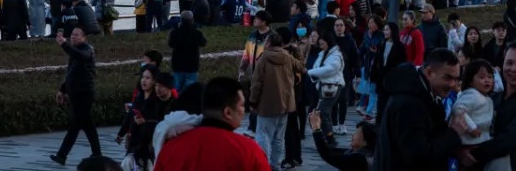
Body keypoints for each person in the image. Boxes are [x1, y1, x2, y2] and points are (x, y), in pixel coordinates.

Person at [374, 48, 470, 171]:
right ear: (429, 73)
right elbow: (418, 156)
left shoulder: (425, 94)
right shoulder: (409, 104)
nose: (453, 84)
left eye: (456, 79)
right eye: (448, 78)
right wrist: (453, 134)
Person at [154, 77, 269, 170]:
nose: (244, 110)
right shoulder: (248, 150)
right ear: (227, 112)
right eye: (242, 105)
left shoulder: (170, 148)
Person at [460, 41, 516, 170]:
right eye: (509, 62)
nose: (513, 68)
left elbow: (506, 142)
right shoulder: (491, 98)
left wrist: (468, 154)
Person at [250, 32, 305, 170]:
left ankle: (264, 162)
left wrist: (252, 101)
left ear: (268, 43)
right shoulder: (288, 57)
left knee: (263, 134)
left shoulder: (263, 58)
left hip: (266, 104)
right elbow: (302, 68)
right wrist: (297, 50)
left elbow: (256, 83)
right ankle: (275, 164)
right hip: (286, 104)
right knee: (279, 137)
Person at [51, 27, 101, 166]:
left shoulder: (87, 49)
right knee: (88, 125)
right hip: (76, 95)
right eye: (72, 34)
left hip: (84, 94)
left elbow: (81, 56)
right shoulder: (75, 52)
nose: (73, 37)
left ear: (84, 38)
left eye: (77, 35)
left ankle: (62, 155)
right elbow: (70, 74)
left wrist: (64, 44)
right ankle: (97, 153)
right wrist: (62, 90)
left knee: (75, 125)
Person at [451, 59, 509, 171]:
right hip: (468, 142)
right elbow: (457, 108)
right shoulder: (472, 95)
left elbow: (500, 87)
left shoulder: (485, 96)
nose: (487, 80)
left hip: (479, 141)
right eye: (482, 77)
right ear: (470, 81)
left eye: (490, 77)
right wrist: (471, 127)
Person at [309, 109, 377, 170]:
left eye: (357, 133)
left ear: (365, 142)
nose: (353, 135)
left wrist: (316, 128)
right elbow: (330, 150)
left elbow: (327, 154)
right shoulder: (359, 152)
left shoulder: (360, 159)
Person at [169, 11, 208, 92]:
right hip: (192, 67)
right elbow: (203, 43)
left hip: (178, 66)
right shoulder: (197, 33)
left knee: (176, 91)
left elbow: (170, 44)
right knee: (190, 92)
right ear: (192, 20)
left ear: (181, 20)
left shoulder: (175, 32)